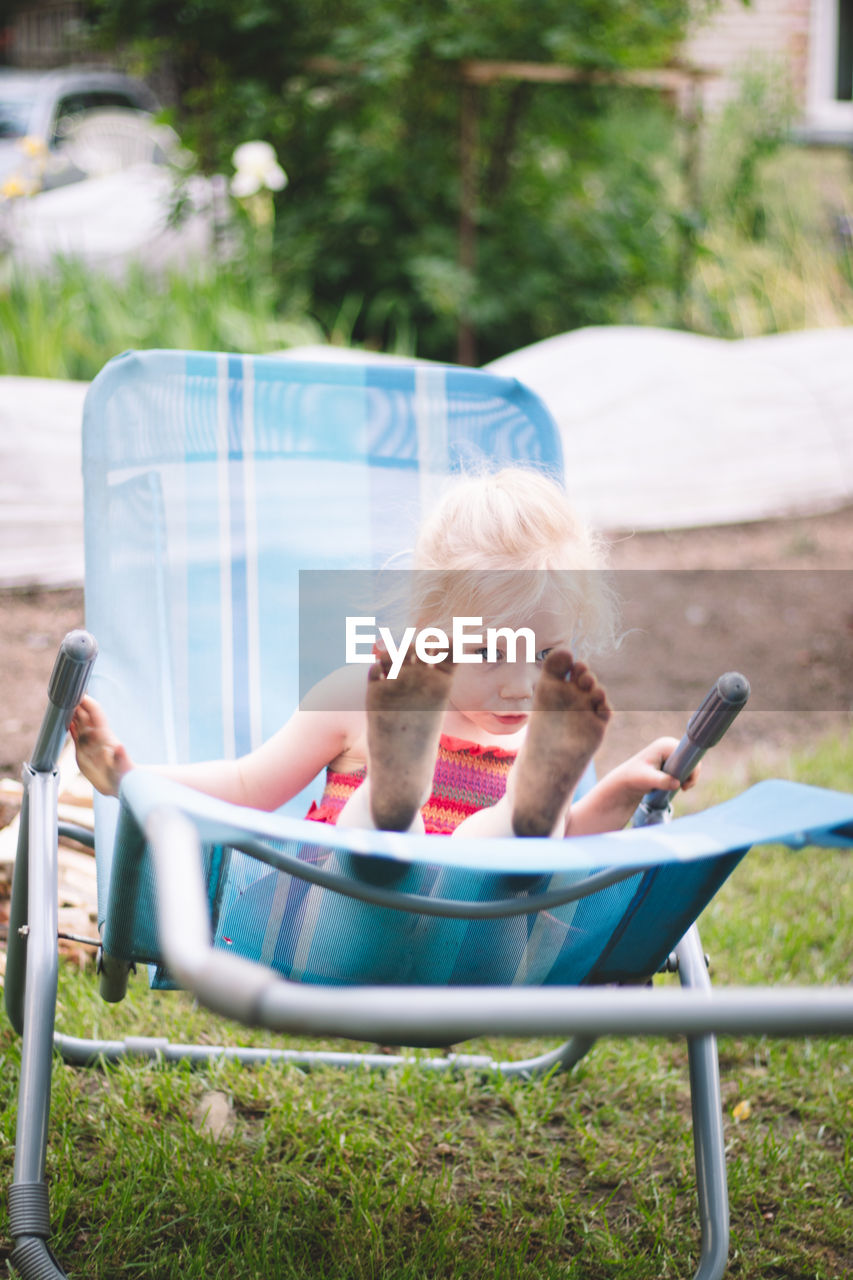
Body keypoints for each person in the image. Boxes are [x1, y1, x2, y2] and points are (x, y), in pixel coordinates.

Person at [71, 468, 697, 838]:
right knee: (397, 841)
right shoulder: (358, 698)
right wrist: (131, 779)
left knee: (522, 836)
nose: (518, 685)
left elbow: (564, 849)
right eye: (487, 650)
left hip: (478, 936)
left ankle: (507, 813)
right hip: (342, 920)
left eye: (544, 653)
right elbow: (245, 786)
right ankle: (391, 798)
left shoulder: (545, 731)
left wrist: (619, 793)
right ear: (431, 630)